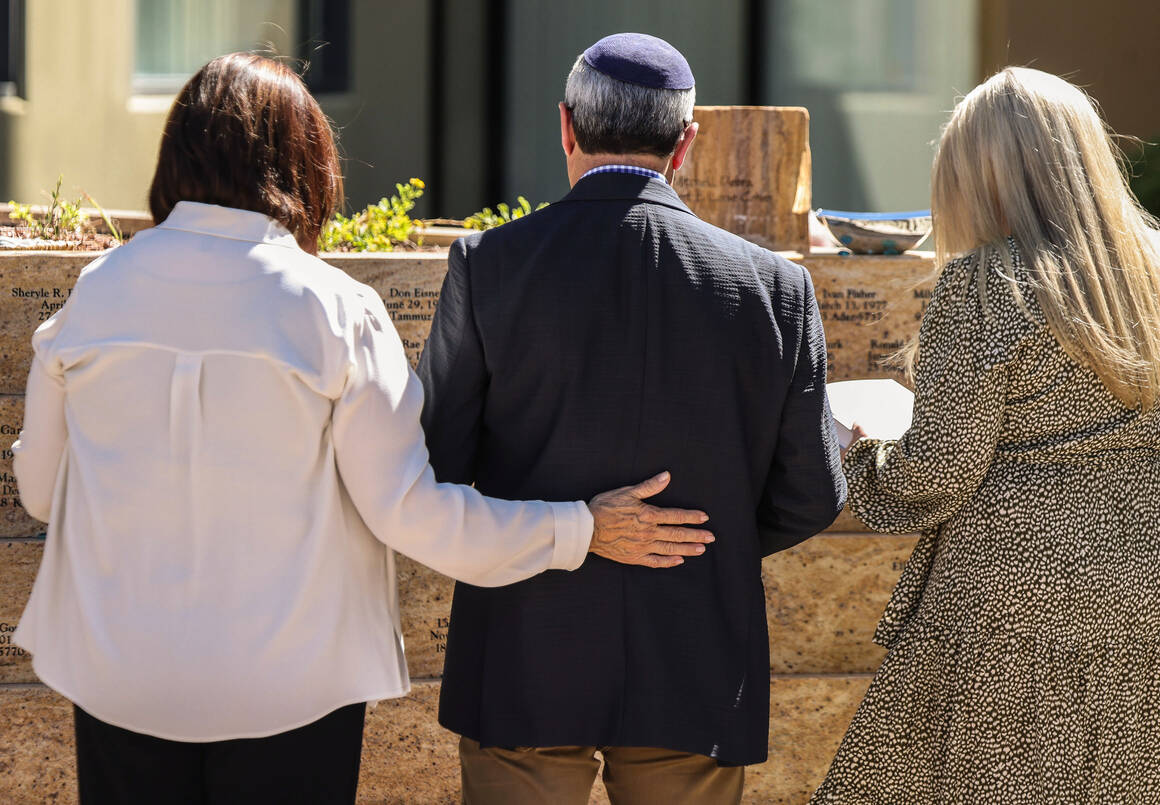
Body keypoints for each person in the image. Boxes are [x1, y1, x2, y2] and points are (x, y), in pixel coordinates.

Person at [11, 52, 714, 805]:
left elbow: (42, 490)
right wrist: (580, 528)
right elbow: (410, 513)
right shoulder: (336, 311)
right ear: (306, 162)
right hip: (291, 693)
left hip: (118, 679)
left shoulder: (95, 292)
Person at [418, 32, 846, 804]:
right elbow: (812, 491)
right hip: (693, 659)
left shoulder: (489, 265)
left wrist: (563, 529)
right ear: (686, 144)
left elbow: (434, 468)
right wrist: (702, 537)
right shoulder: (777, 288)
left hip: (524, 653)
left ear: (565, 126)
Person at [812, 67, 1160, 802]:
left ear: (983, 174)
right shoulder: (1159, 269)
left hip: (1018, 589)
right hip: (1155, 566)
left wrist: (862, 451)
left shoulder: (986, 281)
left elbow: (939, 470)